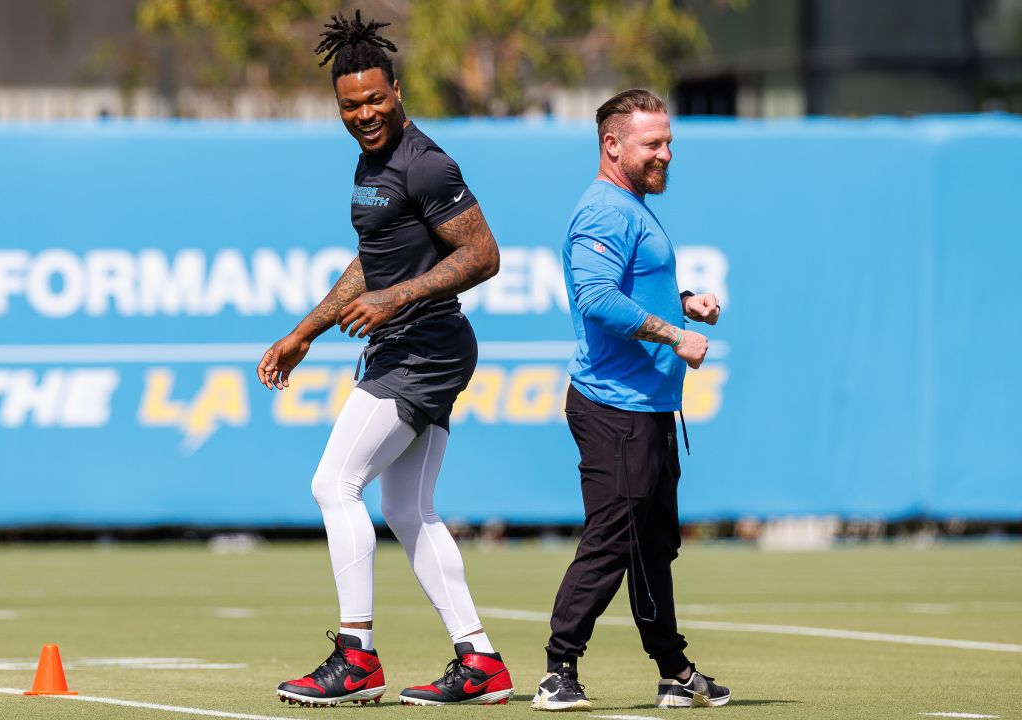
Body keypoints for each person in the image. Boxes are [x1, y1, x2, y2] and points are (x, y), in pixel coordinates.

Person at [256, 10, 512, 708]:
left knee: (333, 486)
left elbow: (483, 255)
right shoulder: (371, 162)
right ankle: (480, 661)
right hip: (410, 346)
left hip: (424, 349)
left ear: (397, 89)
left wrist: (397, 299)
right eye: (350, 105)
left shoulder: (427, 163)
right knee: (407, 508)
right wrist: (307, 329)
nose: (364, 113)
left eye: (375, 99)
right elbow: (372, 263)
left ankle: (356, 656)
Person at [531, 89, 730, 711]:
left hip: (646, 408)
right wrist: (675, 332)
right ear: (612, 145)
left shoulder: (633, 207)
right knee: (613, 539)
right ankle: (558, 670)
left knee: (653, 546)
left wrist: (685, 300)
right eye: (653, 143)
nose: (665, 154)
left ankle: (673, 671)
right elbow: (595, 297)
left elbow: (631, 286)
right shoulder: (604, 211)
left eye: (668, 142)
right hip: (613, 407)